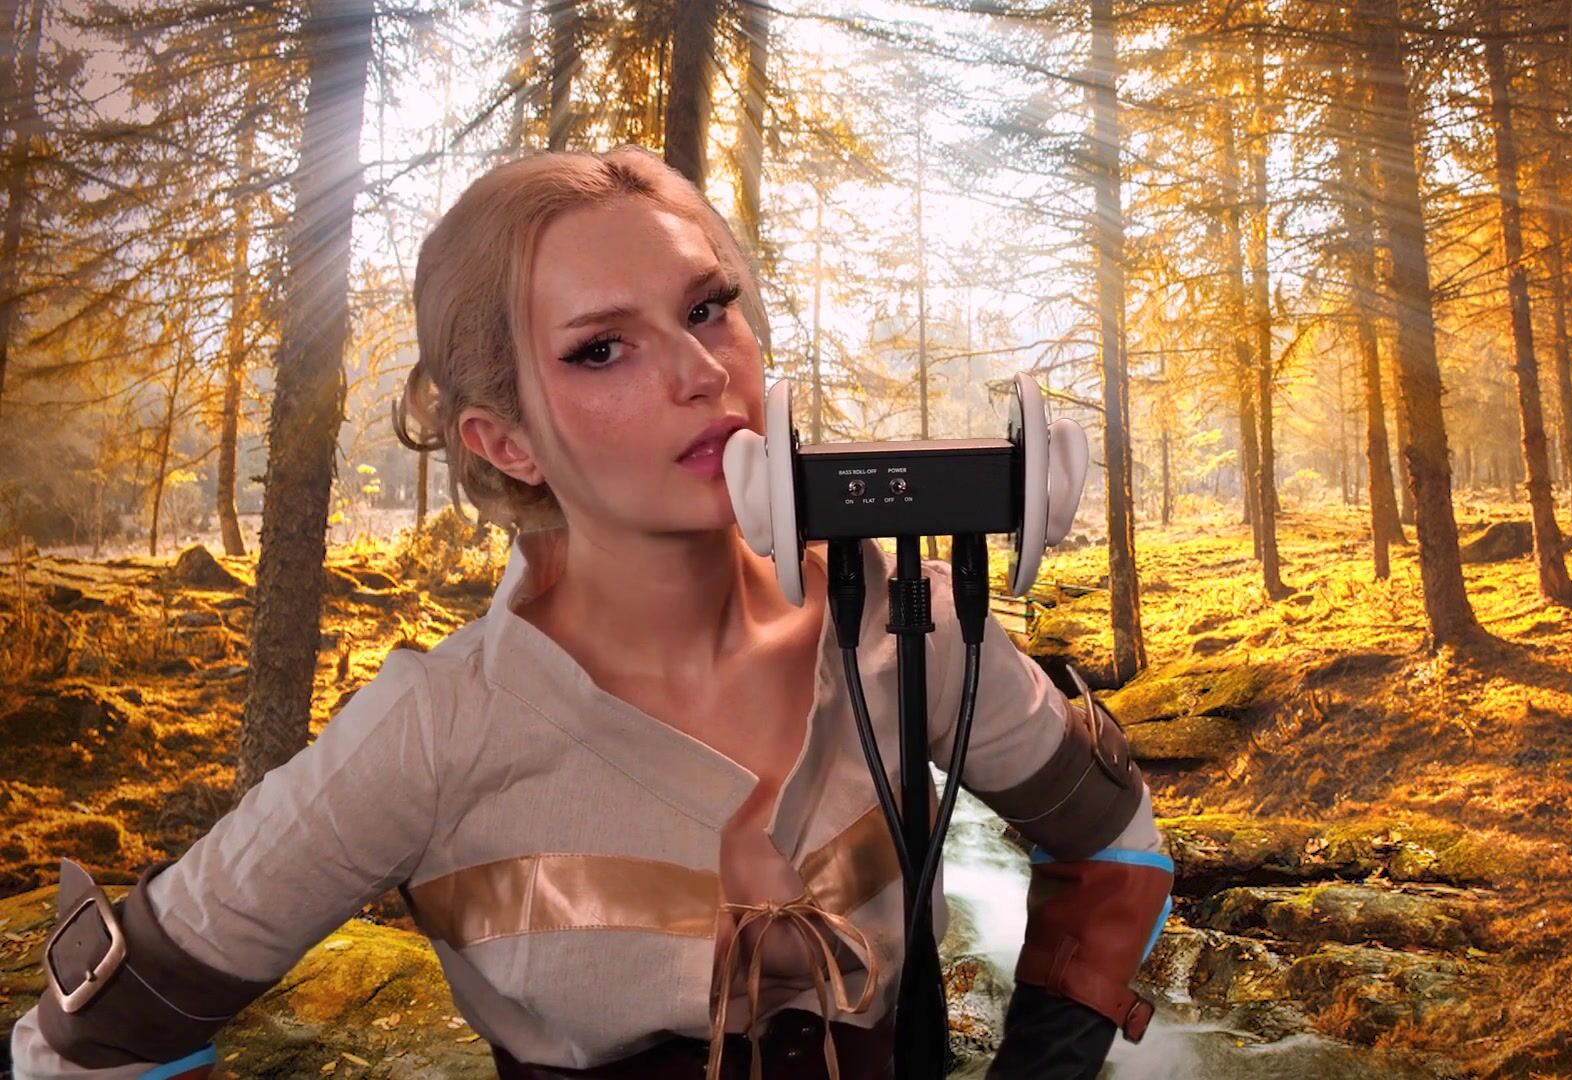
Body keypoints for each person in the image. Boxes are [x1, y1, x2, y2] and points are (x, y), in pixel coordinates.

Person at [9, 145, 1174, 1080]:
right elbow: (98, 1036)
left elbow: (1114, 844)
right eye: (602, 348)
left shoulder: (896, 616)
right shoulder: (439, 729)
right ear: (504, 439)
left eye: (709, 307)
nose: (700, 372)